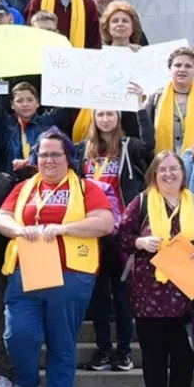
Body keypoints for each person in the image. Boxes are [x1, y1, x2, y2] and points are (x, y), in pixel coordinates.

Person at [0, 129, 114, 387]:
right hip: (27, 272)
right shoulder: (24, 188)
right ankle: (27, 382)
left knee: (62, 342)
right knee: (18, 334)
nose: (48, 160)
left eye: (55, 154)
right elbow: (1, 218)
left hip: (71, 275)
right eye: (43, 154)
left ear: (68, 158)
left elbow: (105, 222)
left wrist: (64, 229)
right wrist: (18, 230)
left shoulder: (86, 188)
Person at [119, 150, 194, 387]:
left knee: (184, 354)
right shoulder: (141, 202)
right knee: (153, 354)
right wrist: (140, 242)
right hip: (149, 293)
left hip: (188, 292)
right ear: (153, 174)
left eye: (174, 168)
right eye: (162, 169)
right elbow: (121, 236)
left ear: (182, 172)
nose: (168, 174)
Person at [78, 108, 149, 372]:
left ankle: (124, 351)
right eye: (100, 115)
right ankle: (103, 350)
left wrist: (141, 109)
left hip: (121, 232)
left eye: (110, 114)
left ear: (118, 117)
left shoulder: (129, 147)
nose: (105, 119)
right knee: (97, 295)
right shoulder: (83, 150)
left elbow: (150, 145)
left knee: (122, 295)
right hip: (94, 232)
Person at [152, 46, 194, 157]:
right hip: (164, 160)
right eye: (177, 65)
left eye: (188, 66)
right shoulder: (155, 98)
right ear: (170, 70)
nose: (182, 69)